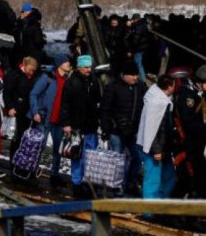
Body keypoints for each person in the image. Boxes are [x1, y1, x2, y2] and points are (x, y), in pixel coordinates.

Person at [100, 59, 148, 196]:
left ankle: (130, 182)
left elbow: (142, 107)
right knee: (117, 160)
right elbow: (105, 109)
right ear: (125, 75)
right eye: (132, 75)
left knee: (137, 159)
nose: (136, 77)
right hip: (116, 131)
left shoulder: (140, 87)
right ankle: (117, 188)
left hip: (132, 130)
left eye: (137, 74)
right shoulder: (113, 87)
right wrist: (105, 129)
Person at [172, 63, 206, 199]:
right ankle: (173, 212)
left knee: (199, 178)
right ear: (200, 81)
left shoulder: (200, 94)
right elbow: (189, 121)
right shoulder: (188, 95)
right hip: (187, 143)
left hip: (198, 143)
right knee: (187, 180)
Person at [60, 54, 101, 198]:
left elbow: (97, 102)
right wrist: (66, 124)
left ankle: (87, 183)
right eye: (85, 67)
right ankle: (76, 183)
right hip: (77, 126)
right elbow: (64, 105)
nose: (88, 69)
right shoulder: (71, 82)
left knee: (90, 157)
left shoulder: (93, 81)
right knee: (77, 156)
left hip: (91, 126)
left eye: (90, 67)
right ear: (79, 67)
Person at [29, 53, 71, 187]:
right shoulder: (47, 78)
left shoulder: (68, 80)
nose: (69, 63)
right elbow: (33, 94)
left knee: (57, 150)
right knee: (38, 147)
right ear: (60, 64)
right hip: (44, 119)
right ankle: (32, 172)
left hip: (59, 121)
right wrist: (35, 112)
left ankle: (55, 175)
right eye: (66, 62)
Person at [136, 75, 177, 199]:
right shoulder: (157, 103)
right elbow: (152, 129)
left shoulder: (157, 97)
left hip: (163, 147)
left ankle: (161, 204)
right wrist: (156, 150)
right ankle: (149, 211)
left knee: (169, 176)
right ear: (170, 87)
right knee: (152, 180)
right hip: (155, 149)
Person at [4, 56, 40, 166]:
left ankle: (22, 162)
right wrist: (9, 107)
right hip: (16, 110)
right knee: (16, 138)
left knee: (24, 138)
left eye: (33, 70)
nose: (32, 72)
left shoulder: (32, 77)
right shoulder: (14, 75)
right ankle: (13, 162)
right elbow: (7, 92)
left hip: (27, 111)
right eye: (30, 69)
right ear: (24, 65)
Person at [125, 13, 149, 83]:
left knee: (138, 64)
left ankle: (143, 80)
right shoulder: (143, 25)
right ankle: (142, 78)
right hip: (143, 47)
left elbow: (135, 40)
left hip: (138, 48)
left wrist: (131, 50)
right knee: (140, 63)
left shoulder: (138, 27)